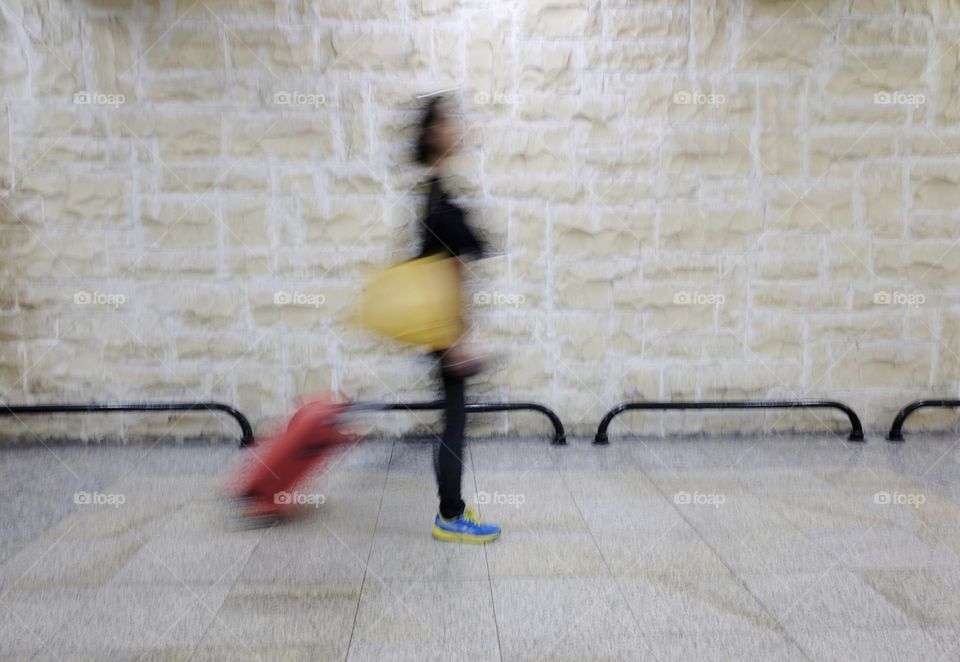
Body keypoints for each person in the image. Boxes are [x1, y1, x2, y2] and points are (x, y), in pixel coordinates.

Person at [413, 96, 501, 543]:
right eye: (449, 121)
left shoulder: (436, 190)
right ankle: (449, 516)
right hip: (445, 327)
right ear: (432, 133)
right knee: (454, 421)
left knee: (454, 417)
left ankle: (451, 507)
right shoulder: (437, 198)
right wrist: (456, 336)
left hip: (444, 325)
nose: (458, 127)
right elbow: (447, 270)